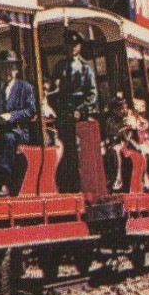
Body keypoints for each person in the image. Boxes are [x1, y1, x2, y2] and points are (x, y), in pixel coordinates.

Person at [46, 30, 98, 191]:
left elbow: (92, 94)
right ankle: (64, 185)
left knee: (77, 149)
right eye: (69, 45)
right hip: (62, 112)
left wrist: (81, 110)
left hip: (79, 113)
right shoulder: (60, 66)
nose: (72, 48)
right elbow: (53, 89)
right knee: (62, 147)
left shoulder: (85, 68)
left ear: (80, 47)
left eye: (75, 45)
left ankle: (78, 186)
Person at [0, 49, 37, 197]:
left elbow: (31, 111)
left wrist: (11, 116)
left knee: (7, 138)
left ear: (16, 70)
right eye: (3, 68)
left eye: (10, 68)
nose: (7, 72)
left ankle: (4, 181)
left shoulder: (26, 88)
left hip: (17, 130)